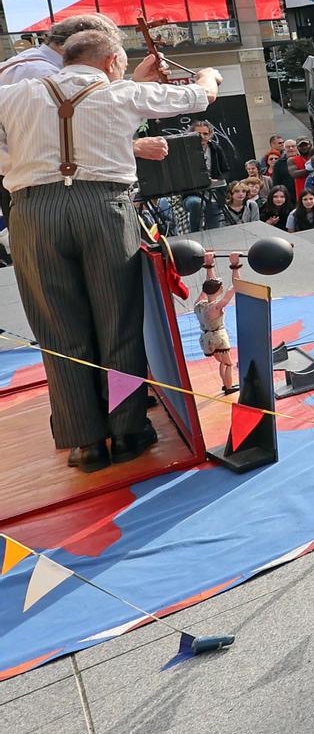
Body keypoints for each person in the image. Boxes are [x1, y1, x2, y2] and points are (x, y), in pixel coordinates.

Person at [0, 27, 219, 470]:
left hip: (33, 213)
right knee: (117, 325)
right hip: (103, 208)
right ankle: (127, 430)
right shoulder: (119, 93)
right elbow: (198, 99)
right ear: (109, 63)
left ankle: (86, 443)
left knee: (58, 332)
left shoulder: (16, 92)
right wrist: (209, 75)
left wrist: (17, 165)